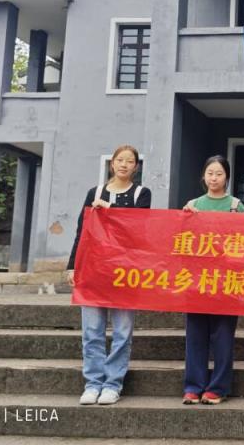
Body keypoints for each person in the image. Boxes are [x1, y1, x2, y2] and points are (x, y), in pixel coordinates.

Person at [66, 145, 152, 406]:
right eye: (120, 160)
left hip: (125, 272)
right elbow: (82, 232)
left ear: (136, 166)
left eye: (130, 161)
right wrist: (73, 265)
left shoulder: (141, 193)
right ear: (112, 163)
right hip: (94, 270)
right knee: (92, 331)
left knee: (122, 332)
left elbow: (138, 229)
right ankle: (92, 383)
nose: (124, 164)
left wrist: (110, 210)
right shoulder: (94, 193)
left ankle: (113, 384)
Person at [181, 155, 244, 405]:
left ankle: (218, 387)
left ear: (226, 177)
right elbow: (181, 240)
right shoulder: (193, 205)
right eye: (210, 173)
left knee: (223, 336)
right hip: (197, 280)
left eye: (219, 174)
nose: (214, 178)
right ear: (203, 176)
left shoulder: (236, 206)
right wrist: (186, 218)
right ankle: (193, 386)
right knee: (195, 335)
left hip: (227, 281)